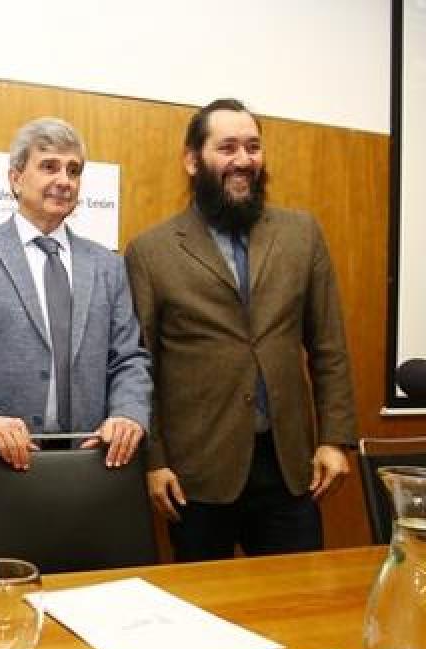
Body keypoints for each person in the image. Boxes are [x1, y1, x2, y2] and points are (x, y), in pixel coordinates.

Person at [124, 98, 357, 561]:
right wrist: (154, 461)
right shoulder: (150, 252)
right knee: (202, 616)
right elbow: (139, 364)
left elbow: (329, 346)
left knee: (297, 607)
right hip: (196, 476)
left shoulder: (301, 234)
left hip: (291, 469)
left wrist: (334, 439)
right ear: (193, 160)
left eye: (253, 147)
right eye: (226, 147)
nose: (243, 160)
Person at [0, 117, 152, 548]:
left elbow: (130, 357)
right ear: (15, 177)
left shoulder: (107, 265)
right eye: (49, 166)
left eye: (73, 170)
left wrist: (128, 412)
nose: (63, 180)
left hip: (89, 475)